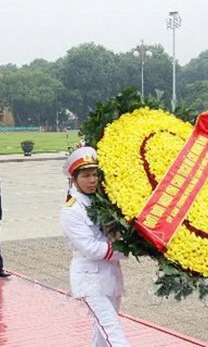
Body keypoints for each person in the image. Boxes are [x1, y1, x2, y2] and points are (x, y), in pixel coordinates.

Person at [60, 146, 129, 347]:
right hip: (90, 279)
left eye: (95, 174)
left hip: (111, 276)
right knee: (112, 329)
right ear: (74, 179)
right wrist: (124, 249)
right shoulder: (71, 211)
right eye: (86, 176)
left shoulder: (102, 203)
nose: (92, 180)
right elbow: (90, 248)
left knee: (102, 333)